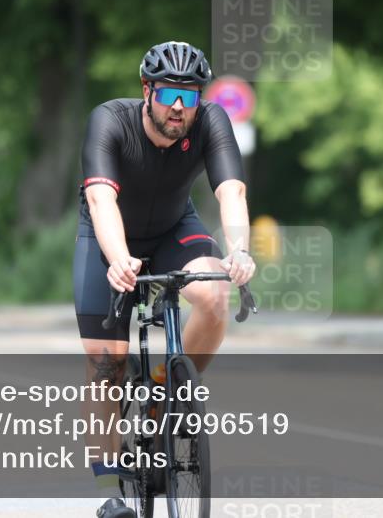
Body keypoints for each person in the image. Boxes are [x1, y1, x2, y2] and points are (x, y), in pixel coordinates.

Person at [75, 41, 256, 518]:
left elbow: (232, 191)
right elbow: (100, 201)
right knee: (106, 363)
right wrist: (119, 259)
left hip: (175, 228)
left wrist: (239, 249)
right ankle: (109, 493)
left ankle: (164, 391)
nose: (178, 106)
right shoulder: (109, 121)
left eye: (189, 95)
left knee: (214, 294)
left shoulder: (211, 122)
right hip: (109, 234)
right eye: (168, 94)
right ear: (147, 91)